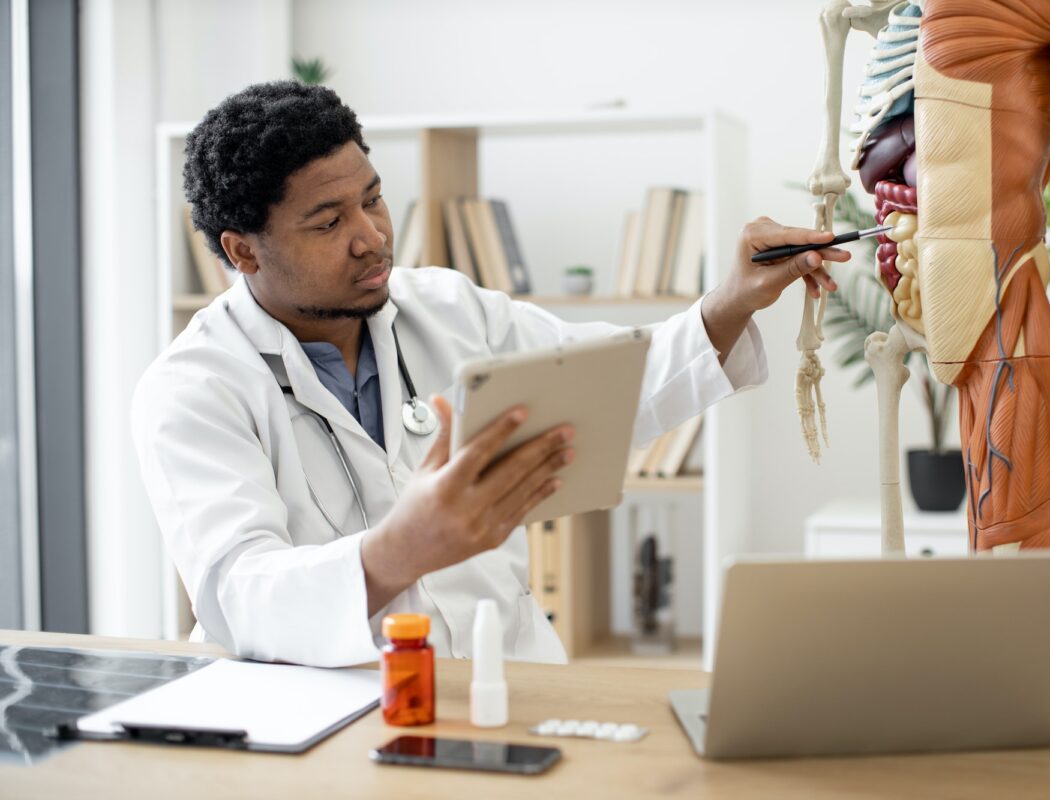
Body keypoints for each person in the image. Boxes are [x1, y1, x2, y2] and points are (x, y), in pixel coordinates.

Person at [132, 81, 848, 667]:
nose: (372, 236)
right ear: (243, 251)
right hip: (323, 717)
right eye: (328, 223)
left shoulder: (445, 307)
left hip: (509, 681)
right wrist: (399, 551)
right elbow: (238, 595)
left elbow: (608, 385)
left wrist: (731, 300)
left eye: (373, 198)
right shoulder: (195, 388)